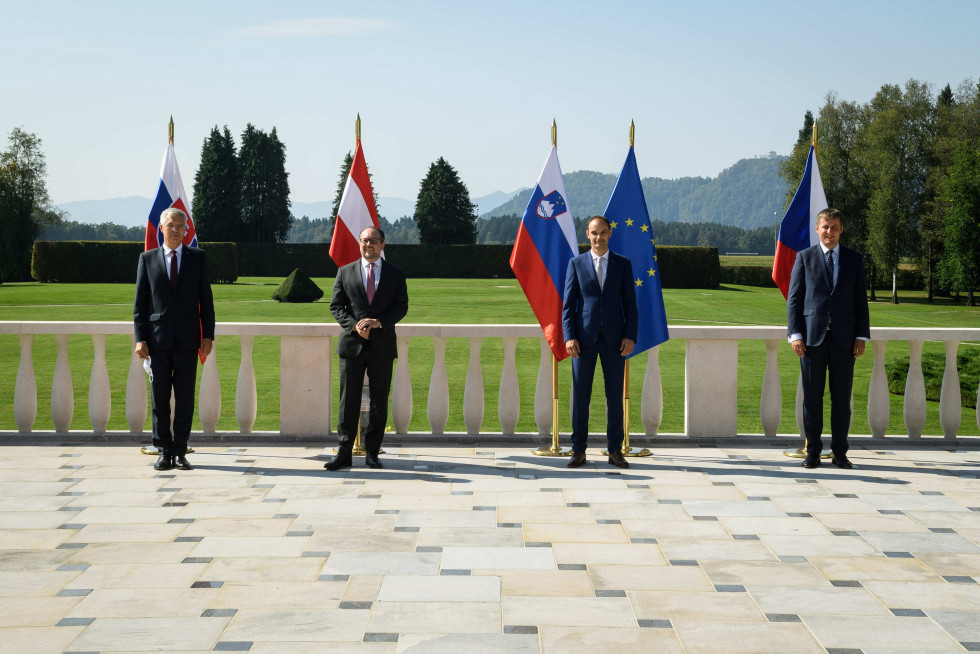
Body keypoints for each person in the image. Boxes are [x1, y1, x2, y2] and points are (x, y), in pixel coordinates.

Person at [787, 207, 870, 469]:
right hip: (811, 341)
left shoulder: (854, 260)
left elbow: (860, 302)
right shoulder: (804, 257)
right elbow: (795, 300)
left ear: (841, 229)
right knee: (812, 399)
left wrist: (861, 336)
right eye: (825, 227)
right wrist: (796, 334)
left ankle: (840, 453)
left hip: (845, 342)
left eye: (834, 227)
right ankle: (812, 452)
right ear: (817, 229)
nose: (829, 232)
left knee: (841, 399)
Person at [134, 208, 215, 471]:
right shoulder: (147, 259)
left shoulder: (197, 258)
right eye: (171, 225)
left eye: (181, 226)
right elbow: (140, 306)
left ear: (186, 230)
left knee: (184, 398)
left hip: (188, 340)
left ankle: (180, 451)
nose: (176, 230)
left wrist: (208, 335)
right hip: (156, 343)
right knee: (159, 401)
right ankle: (163, 451)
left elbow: (206, 300)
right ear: (161, 227)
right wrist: (140, 339)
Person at [324, 226, 409, 470]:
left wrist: (378, 322)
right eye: (363, 240)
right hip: (351, 346)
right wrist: (355, 326)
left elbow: (401, 307)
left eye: (373, 240)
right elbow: (336, 307)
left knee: (379, 402)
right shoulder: (344, 272)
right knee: (347, 402)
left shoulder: (395, 273)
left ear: (383, 244)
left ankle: (372, 452)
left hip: (382, 347)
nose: (368, 244)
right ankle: (344, 453)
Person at [562, 215, 638, 469]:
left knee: (614, 398)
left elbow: (630, 305)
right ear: (587, 234)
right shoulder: (576, 263)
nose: (599, 237)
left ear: (610, 234)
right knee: (581, 398)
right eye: (594, 233)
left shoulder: (623, 264)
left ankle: (615, 450)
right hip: (583, 342)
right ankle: (578, 450)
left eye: (603, 232)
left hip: (616, 342)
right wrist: (569, 336)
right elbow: (568, 306)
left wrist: (630, 336)